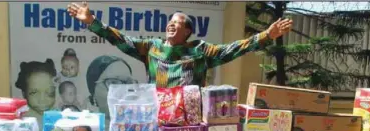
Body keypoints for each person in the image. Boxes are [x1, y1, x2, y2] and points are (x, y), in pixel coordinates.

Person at [67, 2, 293, 88]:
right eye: (170, 22)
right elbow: (120, 39)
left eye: (178, 23)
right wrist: (92, 22)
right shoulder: (151, 48)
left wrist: (266, 35)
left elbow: (235, 48)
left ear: (188, 31)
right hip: (158, 116)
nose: (171, 25)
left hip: (190, 120)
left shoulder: (201, 51)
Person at [81, 55, 138, 131]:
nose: (122, 91)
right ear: (93, 91)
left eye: (128, 83)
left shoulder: (143, 129)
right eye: (113, 83)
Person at [15, 59, 57, 131]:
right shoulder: (20, 121)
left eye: (50, 92)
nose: (42, 100)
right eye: (34, 92)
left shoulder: (60, 118)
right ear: (24, 93)